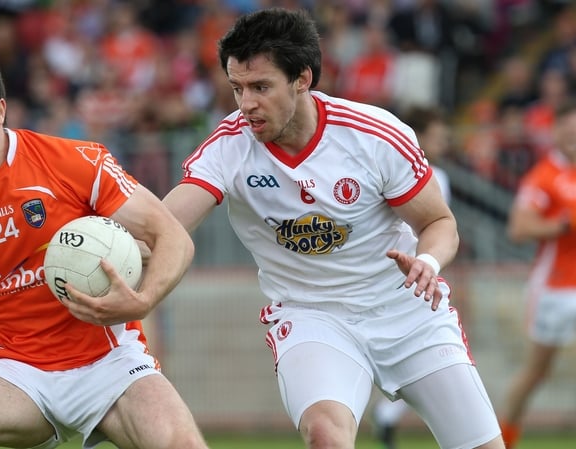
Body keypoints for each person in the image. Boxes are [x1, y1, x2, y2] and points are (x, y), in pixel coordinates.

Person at [161, 8, 505, 449]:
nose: (246, 104)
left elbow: (439, 223)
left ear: (302, 78)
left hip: (406, 311)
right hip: (312, 315)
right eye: (236, 88)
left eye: (261, 87)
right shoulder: (229, 146)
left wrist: (427, 260)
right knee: (326, 435)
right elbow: (168, 224)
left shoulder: (375, 135)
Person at [0, 43, 207, 449]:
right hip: (18, 374)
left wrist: (144, 300)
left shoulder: (74, 161)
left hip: (112, 366)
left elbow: (172, 237)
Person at [371, 105, 453, 449]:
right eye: (436, 136)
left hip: (419, 276)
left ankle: (387, 419)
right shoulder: (410, 172)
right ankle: (386, 418)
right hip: (402, 282)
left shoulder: (431, 174)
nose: (443, 142)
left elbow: (441, 230)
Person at [498, 99, 576, 449]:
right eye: (568, 129)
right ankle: (501, 440)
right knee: (536, 371)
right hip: (556, 290)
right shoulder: (545, 176)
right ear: (555, 131)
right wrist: (562, 223)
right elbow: (518, 227)